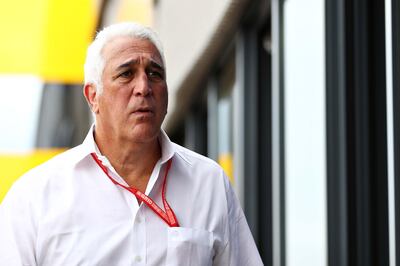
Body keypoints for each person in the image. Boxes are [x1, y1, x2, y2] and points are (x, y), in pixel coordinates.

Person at [0, 22, 263, 266]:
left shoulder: (209, 183)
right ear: (93, 96)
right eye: (126, 74)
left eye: (154, 73)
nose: (144, 87)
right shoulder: (34, 197)